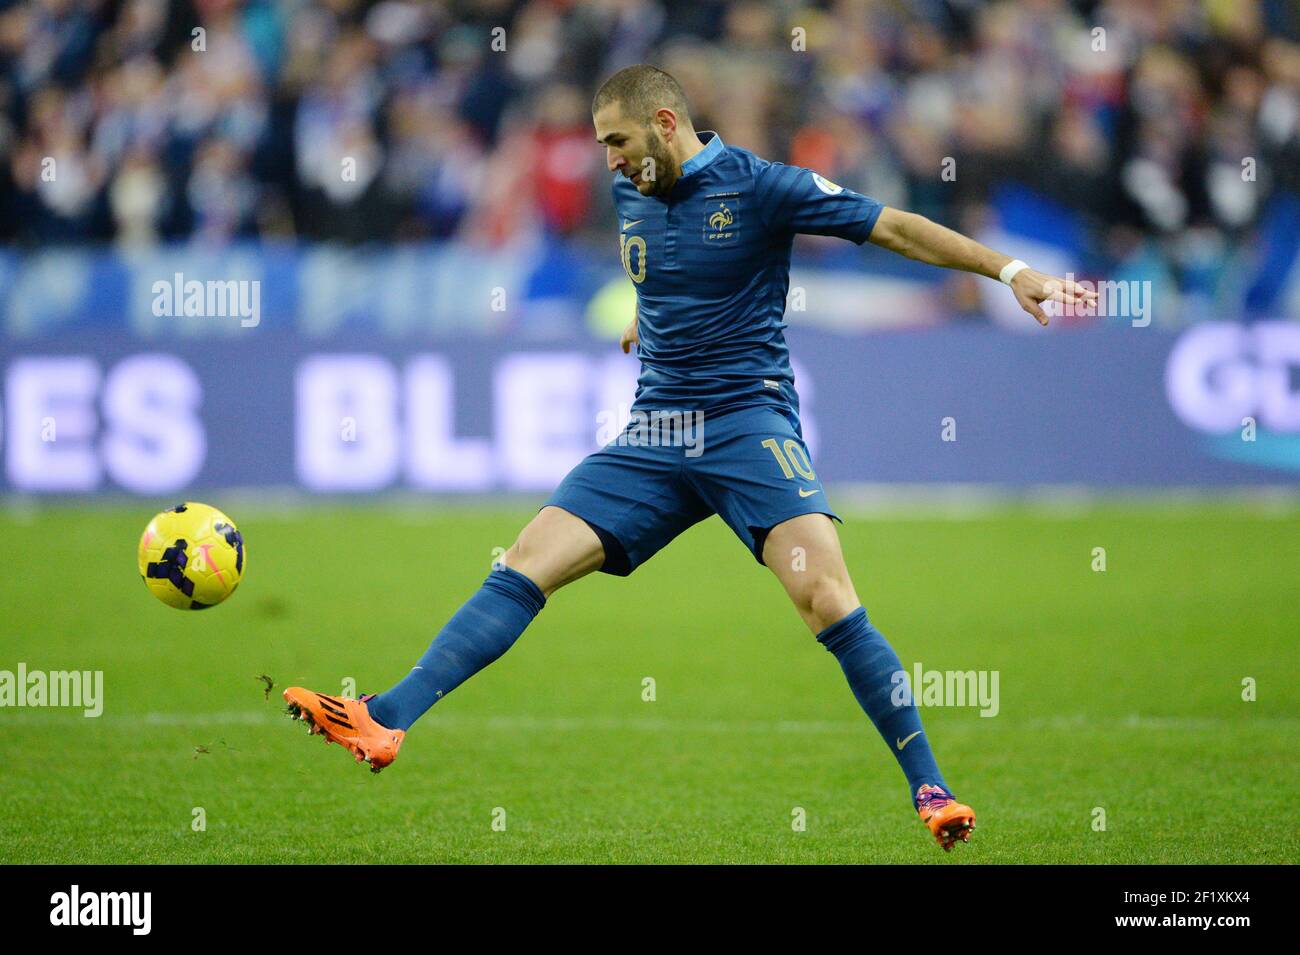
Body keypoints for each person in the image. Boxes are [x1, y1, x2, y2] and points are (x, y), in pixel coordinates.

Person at [283, 64, 1096, 852]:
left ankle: (931, 786)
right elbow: (660, 262)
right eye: (604, 145)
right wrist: (648, 310)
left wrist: (1010, 270)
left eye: (618, 140)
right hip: (656, 432)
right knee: (528, 557)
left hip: (749, 425)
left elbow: (893, 226)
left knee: (824, 593)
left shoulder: (763, 186)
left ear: (666, 125)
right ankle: (385, 715)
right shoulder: (632, 189)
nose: (609, 160)